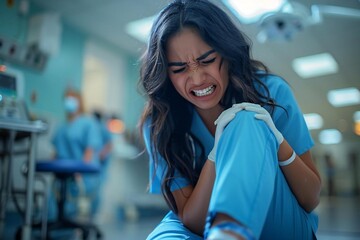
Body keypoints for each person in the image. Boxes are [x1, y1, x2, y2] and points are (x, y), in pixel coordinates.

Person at [138, 0, 321, 239]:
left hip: (277, 216)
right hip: (199, 219)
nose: (196, 79)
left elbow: (310, 199)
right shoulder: (159, 122)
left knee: (247, 119)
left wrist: (276, 142)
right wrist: (217, 156)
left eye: (206, 60)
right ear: (166, 72)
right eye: (180, 68)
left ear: (226, 52)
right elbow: (191, 219)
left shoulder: (272, 91)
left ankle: (229, 230)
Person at [51, 87, 102, 219]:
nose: (69, 101)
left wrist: (80, 171)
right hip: (64, 176)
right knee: (55, 205)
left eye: (72, 98)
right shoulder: (62, 126)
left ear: (79, 101)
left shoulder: (88, 123)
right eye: (67, 98)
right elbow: (56, 151)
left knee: (77, 209)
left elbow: (90, 149)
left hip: (82, 176)